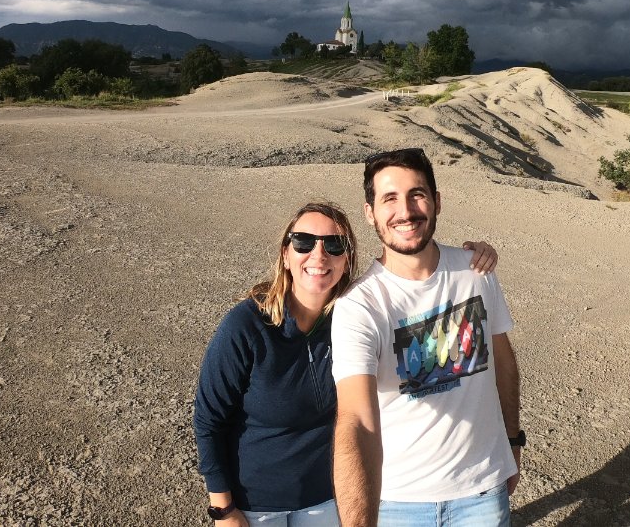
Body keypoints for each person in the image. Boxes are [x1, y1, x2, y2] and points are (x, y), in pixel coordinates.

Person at [194, 200, 498, 525]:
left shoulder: (356, 319)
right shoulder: (246, 326)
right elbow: (209, 420)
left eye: (334, 245)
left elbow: (418, 301)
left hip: (329, 499)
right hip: (255, 504)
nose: (319, 255)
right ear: (285, 254)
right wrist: (223, 510)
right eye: (303, 242)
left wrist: (469, 262)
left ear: (346, 260)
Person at [332, 148, 522, 527]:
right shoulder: (359, 305)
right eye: (389, 198)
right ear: (370, 212)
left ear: (436, 202)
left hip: (481, 492)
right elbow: (355, 418)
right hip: (397, 501)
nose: (405, 211)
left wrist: (513, 443)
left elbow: (504, 364)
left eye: (417, 194)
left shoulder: (476, 272)